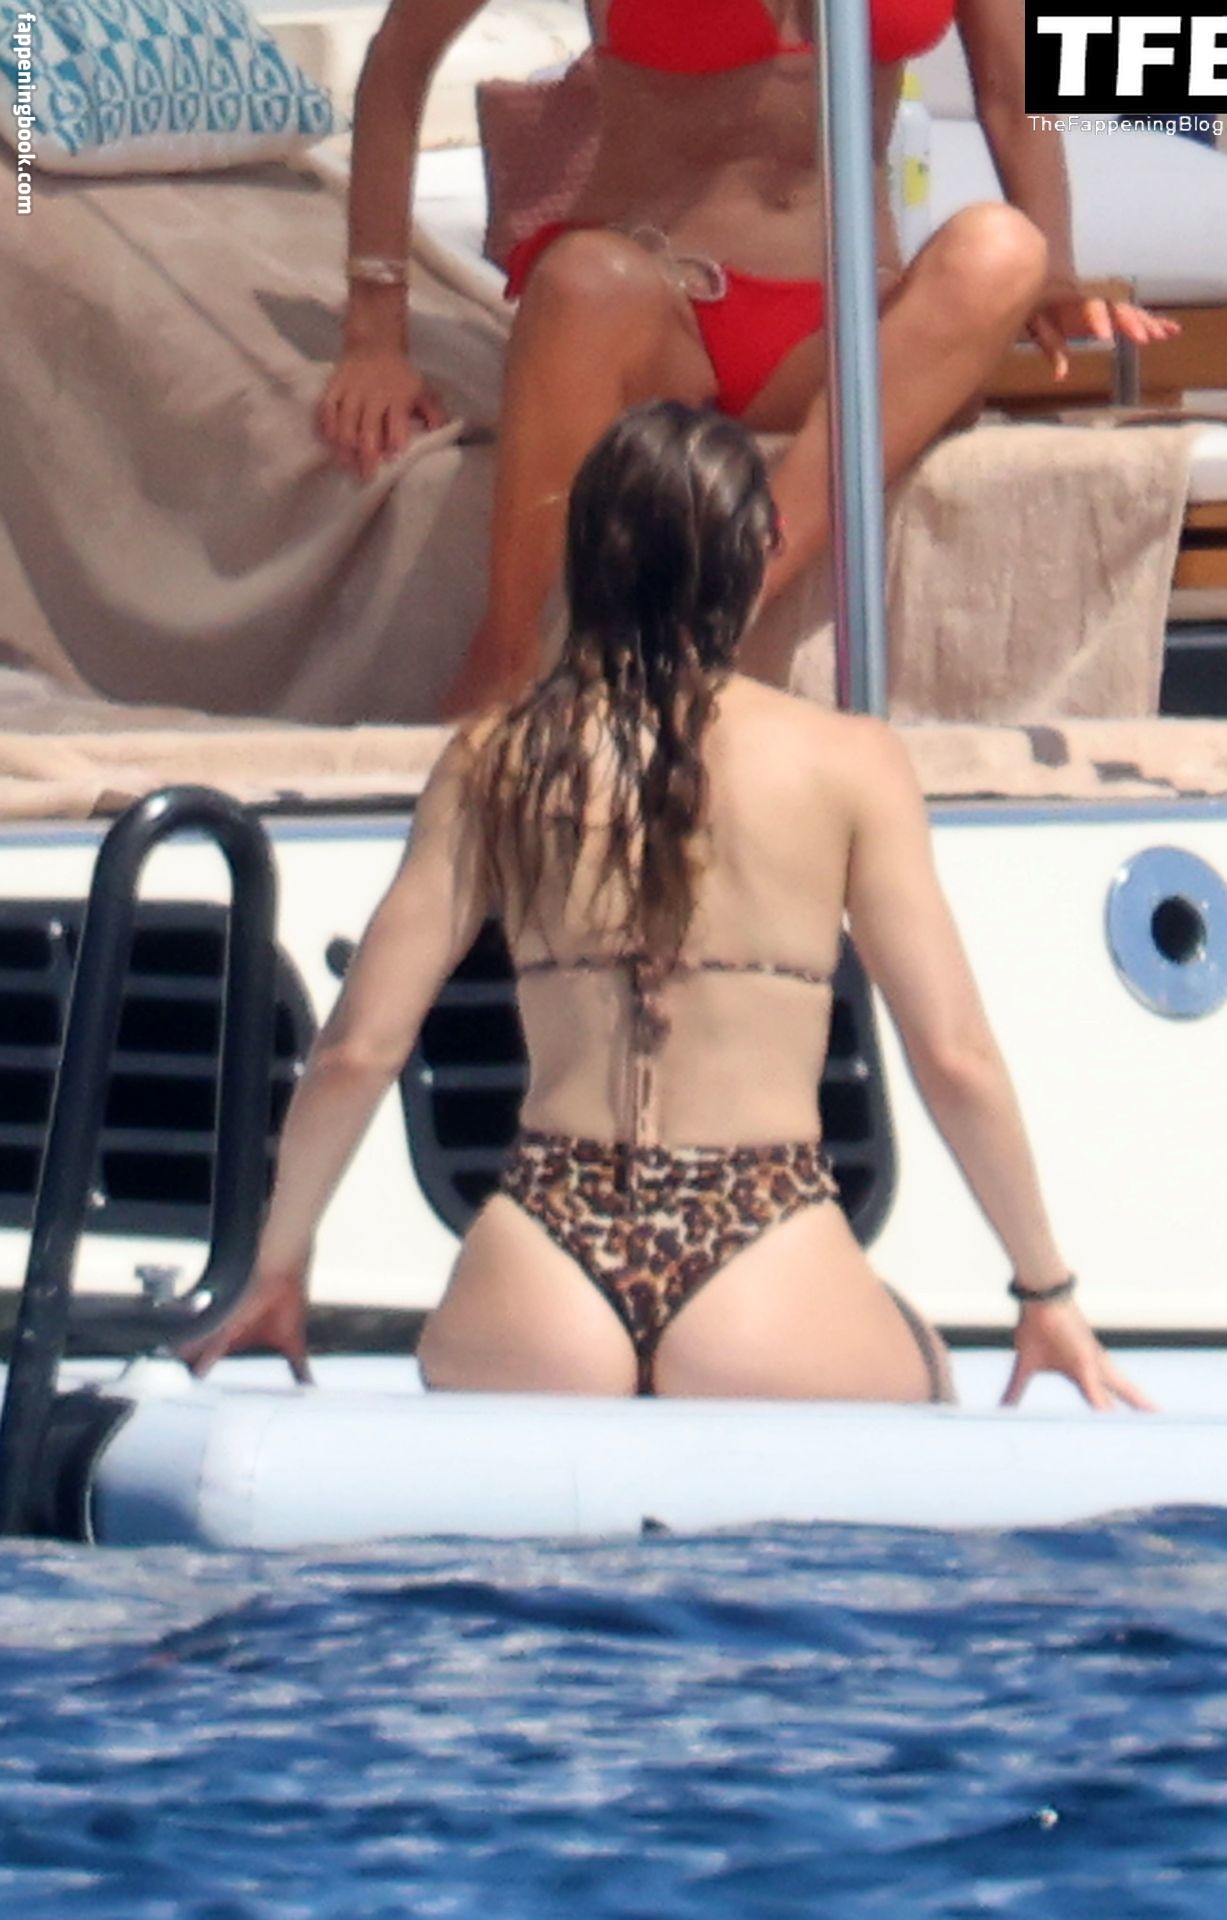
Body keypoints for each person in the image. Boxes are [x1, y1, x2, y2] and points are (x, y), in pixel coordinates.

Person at [188, 401, 1150, 1414]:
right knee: (923, 1371)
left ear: (584, 556)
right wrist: (1045, 1291)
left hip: (547, 1255)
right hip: (764, 1245)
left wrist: (276, 1266)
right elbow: (952, 1057)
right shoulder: (848, 763)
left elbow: (357, 1051)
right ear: (760, 551)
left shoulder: (494, 759)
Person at [318, 0, 1178, 712]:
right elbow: (400, 58)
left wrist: (1057, 269)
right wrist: (375, 333)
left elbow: (1012, 90)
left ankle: (731, 597)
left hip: (841, 333)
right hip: (666, 312)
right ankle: (505, 663)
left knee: (1006, 251)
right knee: (579, 281)